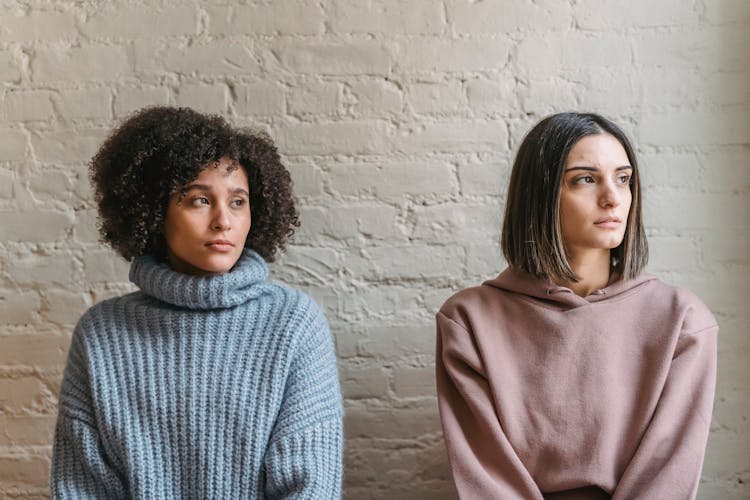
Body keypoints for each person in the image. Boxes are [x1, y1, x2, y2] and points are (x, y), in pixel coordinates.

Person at [51, 106, 344, 499]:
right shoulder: (102, 334)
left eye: (238, 202)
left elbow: (310, 486)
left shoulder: (293, 324)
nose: (224, 220)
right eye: (199, 200)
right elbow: (82, 487)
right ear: (155, 213)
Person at [435, 112, 717, 499]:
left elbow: (666, 476)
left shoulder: (682, 320)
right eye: (585, 179)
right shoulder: (469, 322)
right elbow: (488, 478)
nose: (612, 197)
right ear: (541, 195)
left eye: (623, 178)